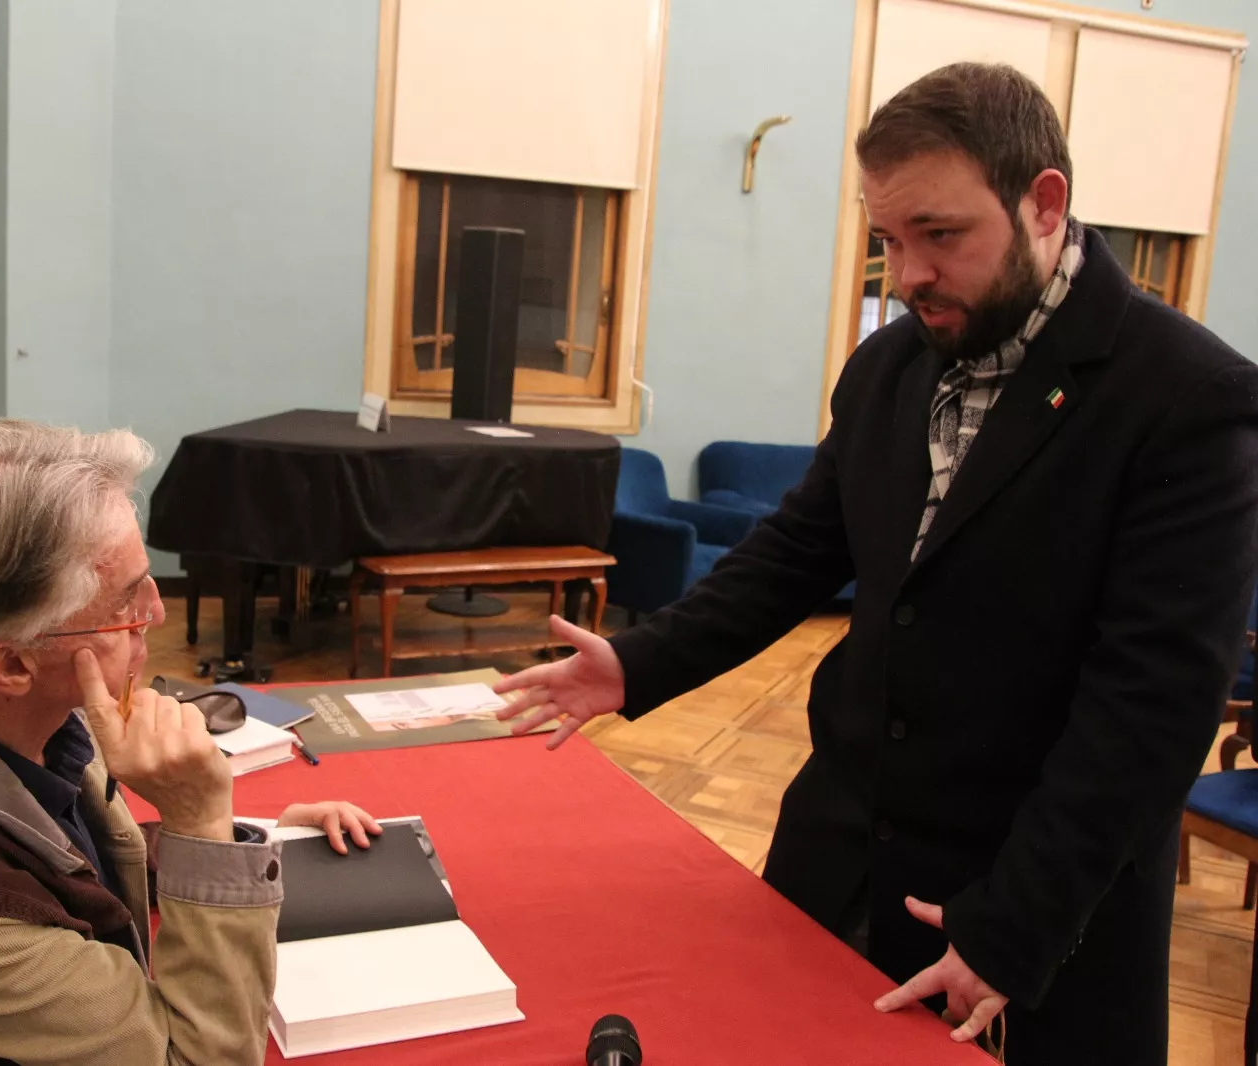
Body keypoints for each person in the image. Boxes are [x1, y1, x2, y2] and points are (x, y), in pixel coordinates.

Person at [497, 62, 1258, 1065]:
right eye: (887, 242)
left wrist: (1013, 924)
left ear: (1043, 203)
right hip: (836, 859)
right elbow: (796, 552)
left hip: (1024, 908)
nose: (907, 276)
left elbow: (1150, 708)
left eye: (940, 236)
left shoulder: (1189, 399)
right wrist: (642, 662)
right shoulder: (889, 366)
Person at [0, 419, 379, 1066]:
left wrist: (238, 840)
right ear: (11, 665)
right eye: (127, 603)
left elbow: (71, 855)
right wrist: (199, 823)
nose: (156, 615)